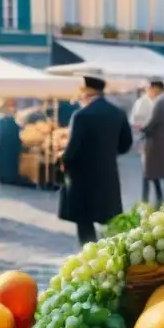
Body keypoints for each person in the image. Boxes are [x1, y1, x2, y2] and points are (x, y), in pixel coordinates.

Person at [58, 76, 132, 245]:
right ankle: (112, 254)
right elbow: (126, 144)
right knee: (110, 219)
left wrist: (63, 161)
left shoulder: (81, 115)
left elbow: (72, 150)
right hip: (107, 175)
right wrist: (107, 154)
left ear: (88, 91)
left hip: (83, 178)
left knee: (84, 222)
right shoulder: (117, 113)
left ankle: (89, 255)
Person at [0, 99, 29, 186]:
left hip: (8, 150)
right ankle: (8, 177)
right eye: (12, 105)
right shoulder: (5, 121)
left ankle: (7, 177)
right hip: (8, 150)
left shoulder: (4, 121)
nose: (13, 108)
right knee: (8, 166)